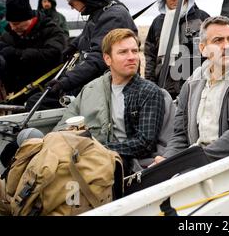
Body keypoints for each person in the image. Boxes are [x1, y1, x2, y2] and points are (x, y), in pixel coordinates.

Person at [155, 16, 229, 164]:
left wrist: (187, 162)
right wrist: (167, 160)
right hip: (196, 163)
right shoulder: (191, 84)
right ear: (203, 49)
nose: (227, 46)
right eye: (218, 40)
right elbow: (180, 135)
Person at [54, 29, 165, 175]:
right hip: (86, 155)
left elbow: (144, 144)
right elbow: (64, 124)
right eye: (123, 52)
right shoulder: (91, 89)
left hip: (125, 164)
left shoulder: (149, 92)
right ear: (107, 59)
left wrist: (96, 148)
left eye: (135, 51)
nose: (132, 57)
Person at [26, 0, 138, 110]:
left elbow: (99, 58)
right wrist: (73, 46)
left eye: (71, 3)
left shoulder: (113, 15)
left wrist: (65, 82)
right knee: (36, 99)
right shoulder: (99, 12)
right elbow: (90, 34)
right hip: (93, 82)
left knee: (36, 103)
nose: (72, 8)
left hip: (106, 87)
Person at [144, 0, 209, 99]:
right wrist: (150, 84)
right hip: (164, 86)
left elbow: (210, 52)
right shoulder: (158, 22)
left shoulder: (202, 18)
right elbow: (150, 56)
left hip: (195, 86)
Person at [0, 0, 66, 104]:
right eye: (10, 23)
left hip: (46, 92)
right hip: (17, 94)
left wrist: (17, 54)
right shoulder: (8, 35)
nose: (13, 27)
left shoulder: (51, 29)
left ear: (29, 18)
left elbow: (55, 53)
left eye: (16, 23)